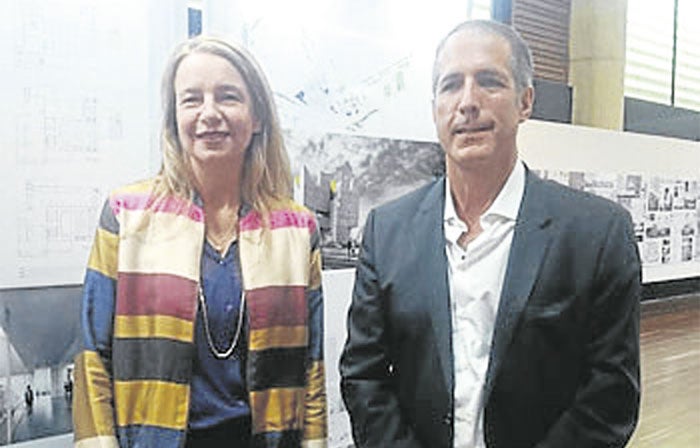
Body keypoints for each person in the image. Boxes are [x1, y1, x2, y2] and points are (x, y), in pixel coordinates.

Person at [340, 20, 641, 448]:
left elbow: (610, 395)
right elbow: (363, 374)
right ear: (434, 108)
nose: (467, 102)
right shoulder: (387, 231)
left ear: (525, 102)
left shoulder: (597, 234)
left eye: (489, 81)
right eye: (450, 85)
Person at [73, 36, 327, 448]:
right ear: (174, 118)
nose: (209, 113)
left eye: (228, 96)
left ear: (257, 117)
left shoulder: (297, 230)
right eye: (192, 99)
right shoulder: (125, 216)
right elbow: (92, 359)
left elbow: (310, 369)